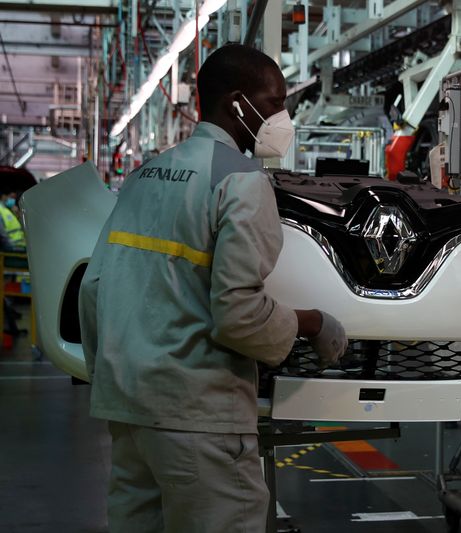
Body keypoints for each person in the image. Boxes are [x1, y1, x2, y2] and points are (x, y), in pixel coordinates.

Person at [78, 44, 347, 533]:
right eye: (275, 101)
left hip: (131, 410)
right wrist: (311, 323)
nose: (281, 117)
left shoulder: (142, 177)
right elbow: (239, 314)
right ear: (238, 103)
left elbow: (94, 287)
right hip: (199, 417)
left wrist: (110, 382)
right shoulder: (240, 181)